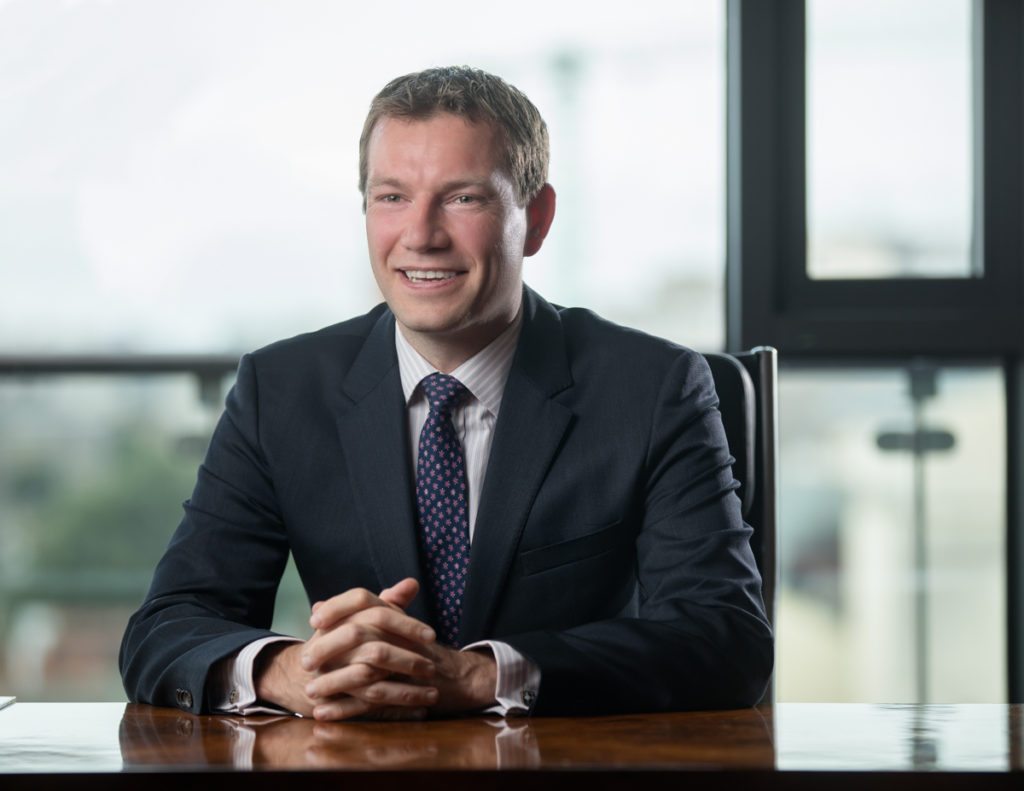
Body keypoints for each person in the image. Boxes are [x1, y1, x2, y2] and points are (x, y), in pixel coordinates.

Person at [119, 65, 773, 719]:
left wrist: (482, 675)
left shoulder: (653, 388)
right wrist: (292, 670)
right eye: (392, 197)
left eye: (462, 198)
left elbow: (725, 638)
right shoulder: (280, 392)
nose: (421, 234)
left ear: (536, 219)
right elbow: (166, 628)